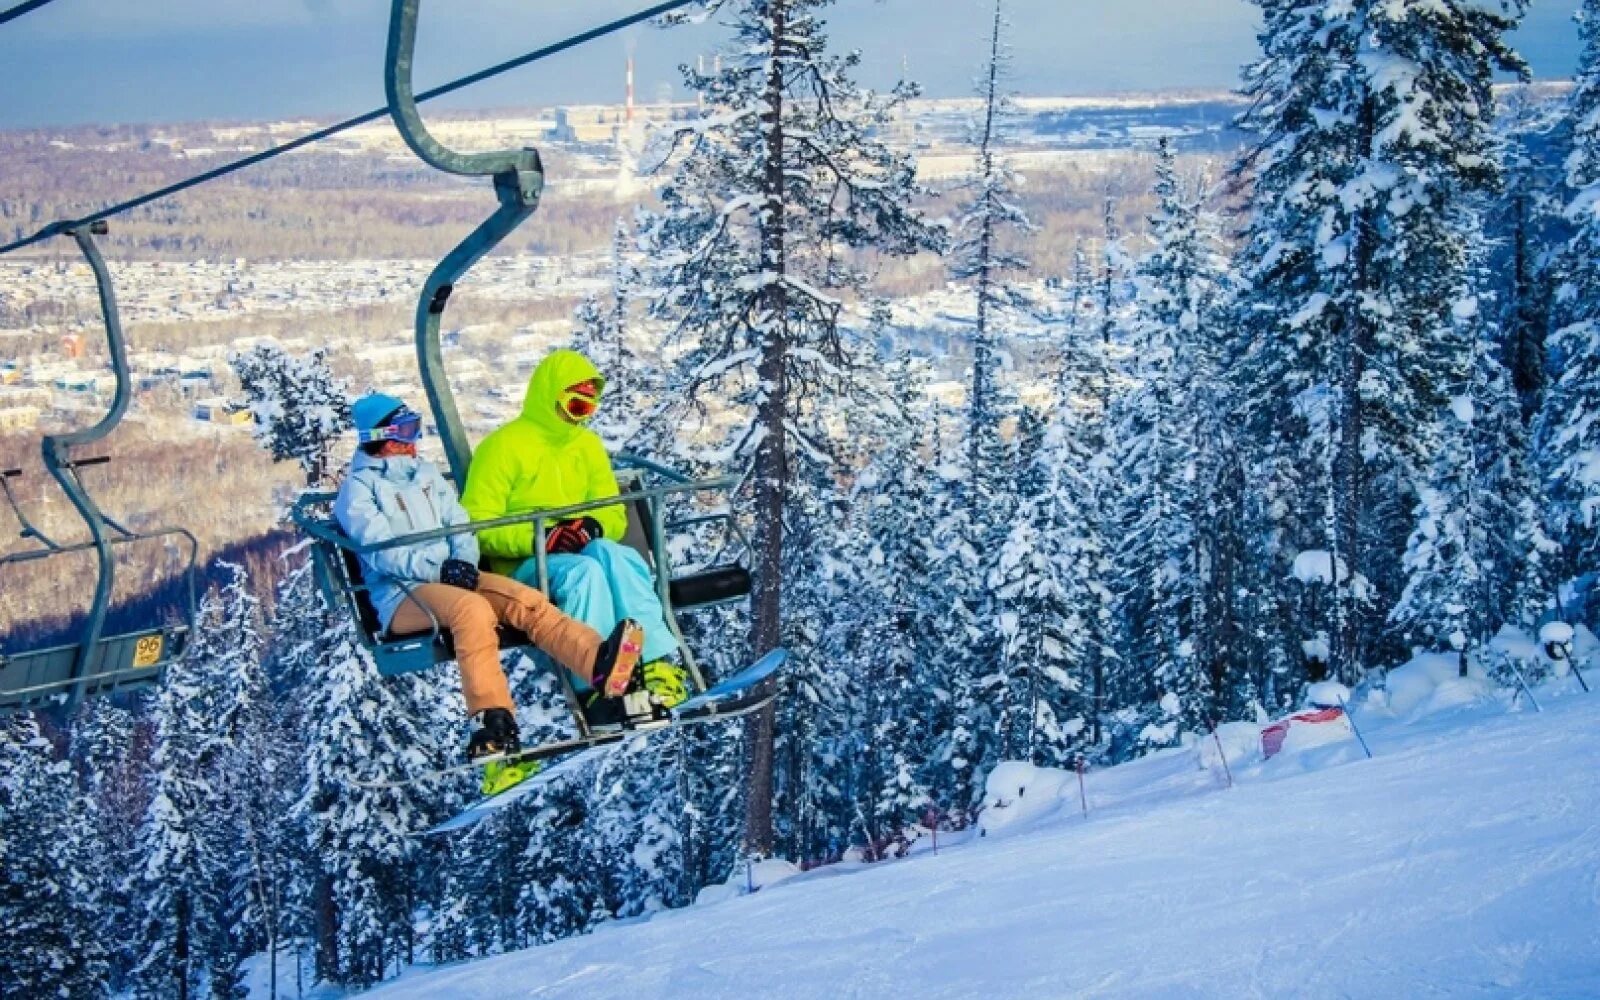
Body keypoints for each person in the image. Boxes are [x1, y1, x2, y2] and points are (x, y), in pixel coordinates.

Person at [333, 392, 645, 794]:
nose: (415, 442)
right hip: (402, 596)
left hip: (454, 578)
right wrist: (439, 568)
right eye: (407, 431)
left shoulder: (426, 476)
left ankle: (600, 667)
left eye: (417, 429)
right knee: (472, 610)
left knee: (525, 601)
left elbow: (459, 524)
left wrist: (463, 559)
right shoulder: (357, 492)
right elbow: (381, 549)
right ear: (382, 437)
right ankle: (491, 721)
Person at [461, 350, 689, 717]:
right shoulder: (502, 448)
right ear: (550, 396)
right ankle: (595, 684)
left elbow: (612, 510)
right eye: (575, 404)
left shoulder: (587, 447)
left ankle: (656, 665)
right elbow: (478, 524)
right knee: (583, 574)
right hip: (523, 567)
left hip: (575, 553)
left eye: (587, 407)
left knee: (616, 556)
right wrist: (541, 538)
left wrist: (591, 527)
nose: (580, 415)